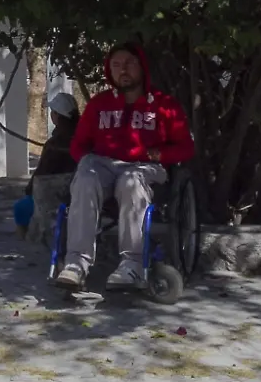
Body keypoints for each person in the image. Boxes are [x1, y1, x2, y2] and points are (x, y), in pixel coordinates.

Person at [58, 44, 195, 289]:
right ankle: (76, 264)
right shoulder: (99, 104)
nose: (123, 70)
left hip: (146, 167)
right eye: (117, 65)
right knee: (86, 176)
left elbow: (186, 148)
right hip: (104, 165)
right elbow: (78, 145)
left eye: (129, 63)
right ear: (110, 70)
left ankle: (131, 265)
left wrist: (160, 153)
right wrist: (88, 162)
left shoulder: (165, 105)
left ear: (141, 67)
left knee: (131, 182)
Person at [23, 92, 81, 246]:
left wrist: (28, 192)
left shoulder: (54, 144)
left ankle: (27, 246)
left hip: (55, 196)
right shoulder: (86, 138)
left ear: (57, 116)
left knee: (21, 208)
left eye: (53, 112)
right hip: (79, 193)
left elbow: (41, 174)